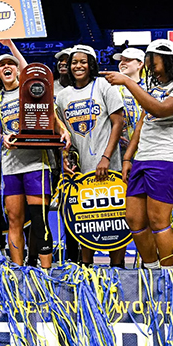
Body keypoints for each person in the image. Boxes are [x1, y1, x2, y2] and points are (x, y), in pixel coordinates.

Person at [103, 39, 173, 267]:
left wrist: (128, 82)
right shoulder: (154, 85)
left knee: (158, 219)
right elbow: (142, 121)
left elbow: (159, 110)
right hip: (143, 157)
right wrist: (129, 157)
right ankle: (151, 268)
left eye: (154, 65)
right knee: (134, 218)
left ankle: (168, 275)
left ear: (168, 60)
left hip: (169, 156)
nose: (152, 71)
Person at [0, 40, 69, 269]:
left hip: (36, 164)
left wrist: (63, 132)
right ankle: (18, 270)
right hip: (11, 166)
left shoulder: (33, 92)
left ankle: (46, 271)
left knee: (40, 220)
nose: (6, 67)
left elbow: (53, 117)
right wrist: (1, 138)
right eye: (1, 65)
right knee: (14, 220)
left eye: (10, 64)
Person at [56, 44, 126, 267]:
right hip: (81, 170)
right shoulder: (63, 96)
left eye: (82, 62)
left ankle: (118, 268)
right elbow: (62, 132)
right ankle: (86, 266)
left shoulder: (105, 86)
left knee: (114, 220)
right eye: (74, 62)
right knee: (85, 220)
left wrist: (106, 157)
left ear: (91, 64)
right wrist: (65, 159)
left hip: (109, 166)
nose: (77, 66)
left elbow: (118, 123)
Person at [112, 47, 146, 156]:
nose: (122, 63)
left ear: (140, 64)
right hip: (121, 145)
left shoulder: (150, 87)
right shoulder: (112, 86)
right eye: (121, 60)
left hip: (146, 143)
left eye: (128, 60)